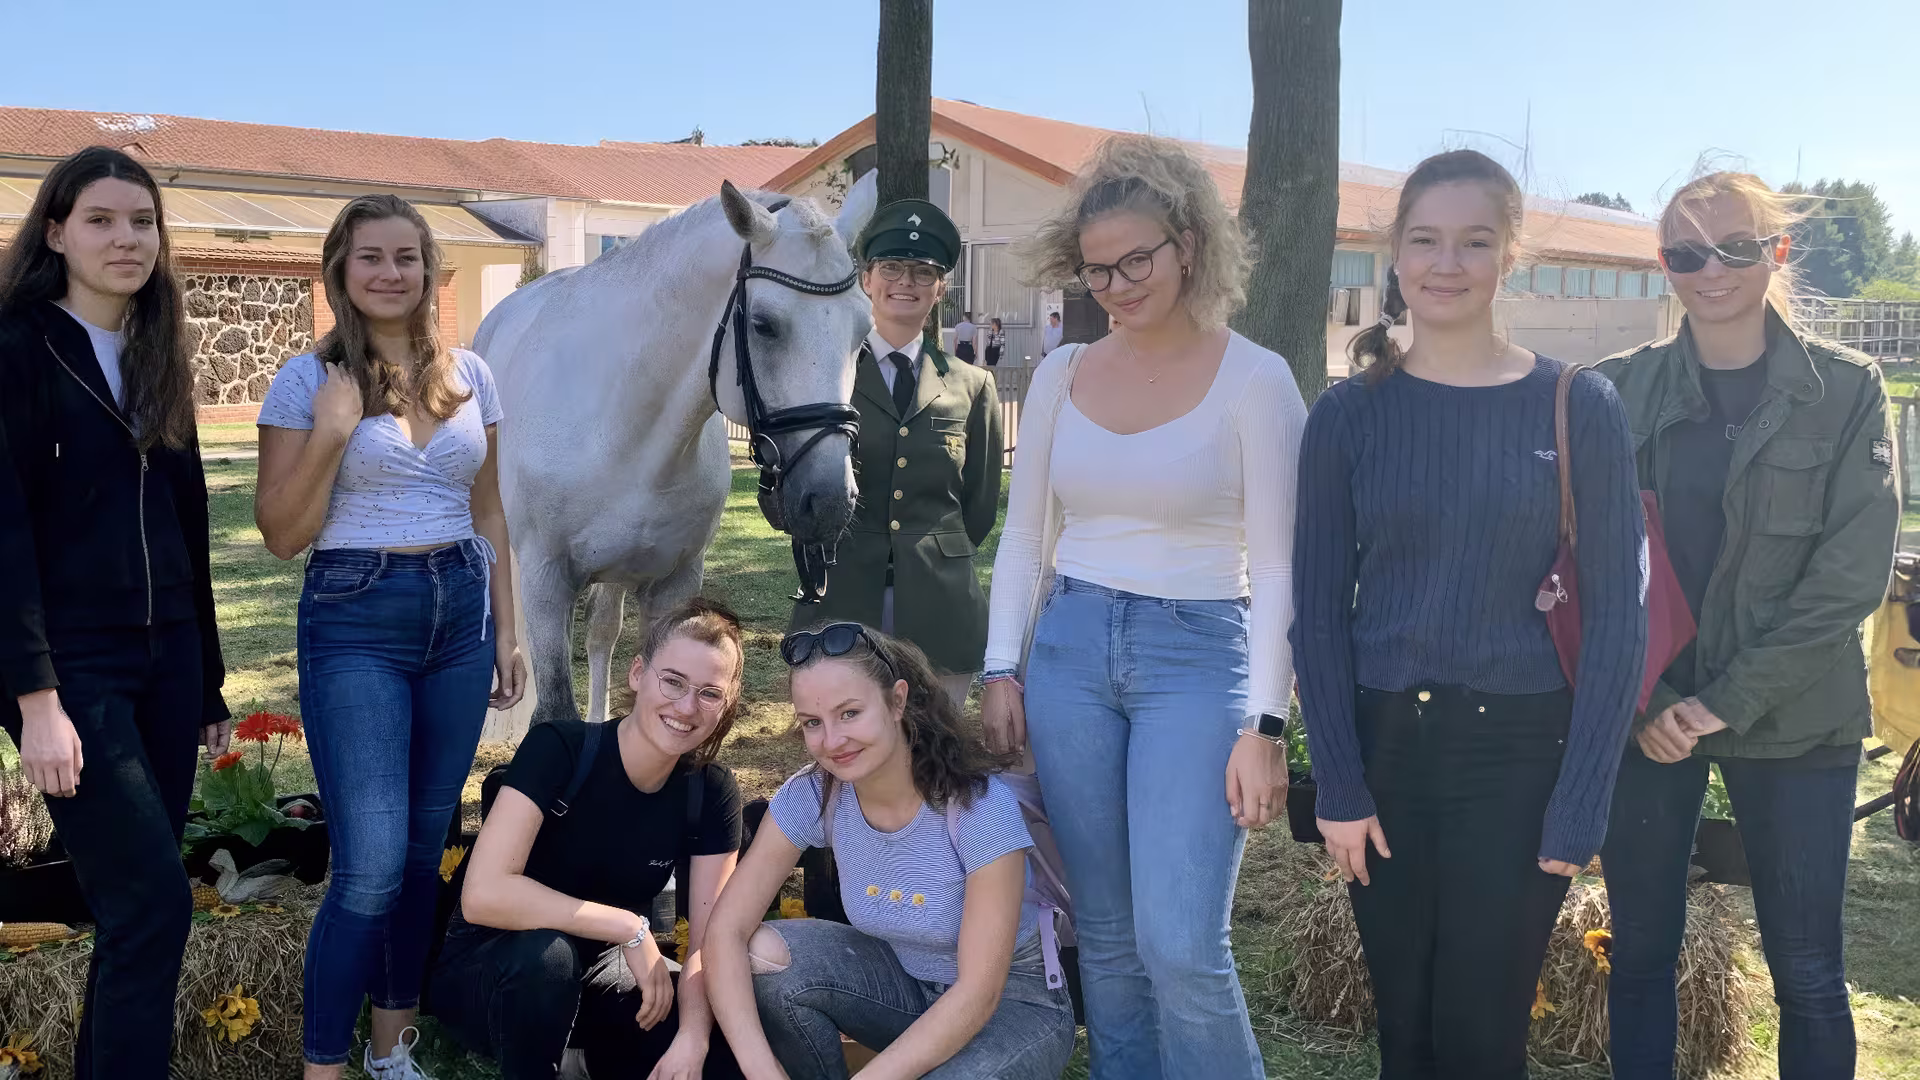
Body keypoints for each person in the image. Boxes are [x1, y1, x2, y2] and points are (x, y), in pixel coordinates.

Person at [1291, 149, 1647, 1080]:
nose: (1446, 264)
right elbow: (1319, 616)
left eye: (1474, 242)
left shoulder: (1580, 406)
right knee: (1405, 1036)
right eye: (1425, 240)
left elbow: (1617, 624)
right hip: (1385, 753)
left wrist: (1581, 803)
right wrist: (1338, 783)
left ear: (1509, 256)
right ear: (1393, 255)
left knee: (1483, 1040)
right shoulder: (1347, 416)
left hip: (1520, 759)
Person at [980, 133, 1303, 1078]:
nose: (1118, 284)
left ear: (1189, 246)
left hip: (1201, 656)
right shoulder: (1058, 375)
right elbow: (1026, 538)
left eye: (1138, 259)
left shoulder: (1257, 380)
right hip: (1071, 650)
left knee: (1182, 943)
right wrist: (1004, 663)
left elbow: (1281, 569)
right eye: (1097, 269)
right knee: (1108, 937)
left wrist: (1267, 722)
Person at [1595, 171, 1897, 1080]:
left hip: (1798, 718)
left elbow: (1848, 578)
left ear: (1779, 252)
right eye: (1688, 253)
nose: (1713, 269)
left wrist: (1721, 703)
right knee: (1639, 956)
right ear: (1664, 266)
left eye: (1738, 247)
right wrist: (1652, 699)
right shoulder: (1614, 392)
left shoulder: (1847, 391)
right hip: (1648, 720)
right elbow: (1589, 567)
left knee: (1807, 971)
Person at [255, 193, 526, 1080]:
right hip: (355, 613)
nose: (388, 273)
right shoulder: (308, 381)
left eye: (405, 257)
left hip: (460, 610)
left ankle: (392, 1052)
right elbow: (283, 533)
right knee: (367, 865)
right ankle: (323, 1066)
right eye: (369, 257)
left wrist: (510, 628)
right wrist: (333, 434)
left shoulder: (473, 375)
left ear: (429, 272)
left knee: (419, 852)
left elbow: (490, 509)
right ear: (340, 269)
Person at [0, 146, 231, 1080]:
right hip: (73, 666)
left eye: (142, 222)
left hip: (168, 659)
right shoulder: (16, 346)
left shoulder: (153, 346)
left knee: (134, 911)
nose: (126, 239)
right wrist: (35, 698)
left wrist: (209, 677)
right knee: (152, 905)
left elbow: (189, 520)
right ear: (56, 232)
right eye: (101, 219)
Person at [705, 623, 1076, 1079]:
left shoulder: (978, 807)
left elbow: (979, 992)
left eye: (850, 713)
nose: (832, 740)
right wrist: (761, 1069)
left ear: (897, 700)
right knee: (762, 953)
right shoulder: (814, 794)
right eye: (812, 723)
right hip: (904, 987)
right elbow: (725, 931)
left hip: (1013, 1004)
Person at [432, 599, 748, 1080]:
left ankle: (586, 1060)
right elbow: (483, 895)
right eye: (673, 681)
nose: (686, 707)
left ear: (728, 702)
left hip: (601, 974)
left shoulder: (711, 791)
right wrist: (629, 928)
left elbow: (709, 943)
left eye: (709, 693)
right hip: (497, 972)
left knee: (720, 1048)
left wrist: (694, 1035)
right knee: (548, 957)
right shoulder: (561, 748)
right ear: (638, 674)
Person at [790, 199, 1002, 708]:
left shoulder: (973, 385)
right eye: (891, 267)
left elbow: (978, 508)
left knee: (937, 753)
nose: (905, 281)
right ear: (866, 278)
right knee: (844, 747)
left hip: (941, 607)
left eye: (922, 271)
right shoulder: (826, 377)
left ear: (941, 288)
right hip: (843, 597)